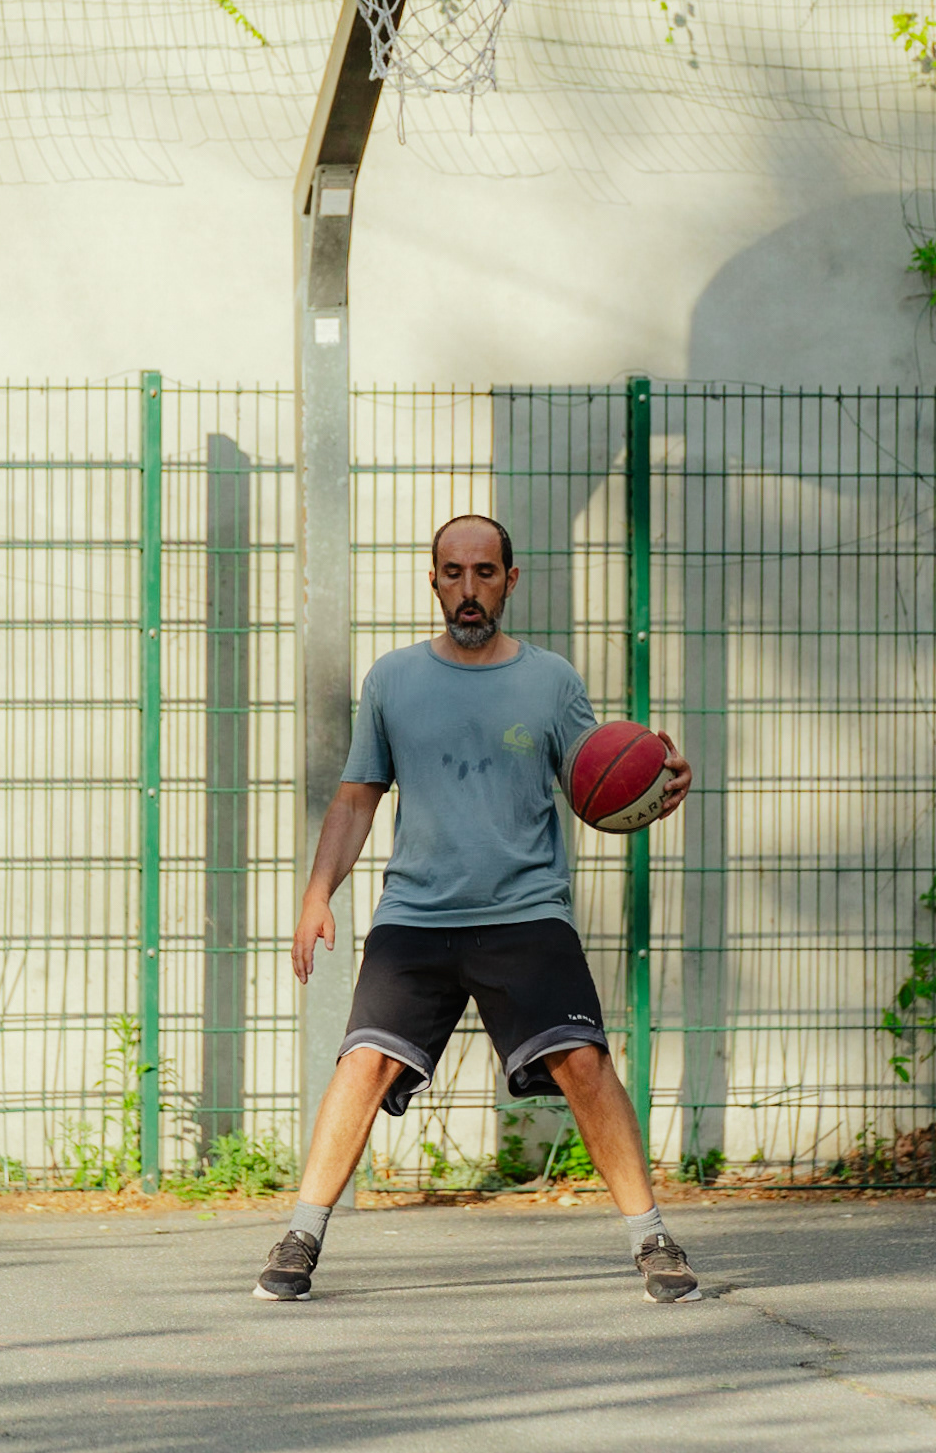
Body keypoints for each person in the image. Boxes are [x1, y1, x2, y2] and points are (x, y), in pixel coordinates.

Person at [254, 513, 701, 1304]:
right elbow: (356, 799)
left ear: (509, 580)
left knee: (585, 1062)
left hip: (526, 912)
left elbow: (597, 781)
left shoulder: (552, 681)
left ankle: (653, 1239)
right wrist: (317, 894)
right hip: (417, 917)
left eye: (485, 573)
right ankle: (300, 1236)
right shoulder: (392, 680)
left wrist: (654, 787)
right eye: (454, 573)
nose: (469, 589)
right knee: (363, 1062)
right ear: (434, 581)